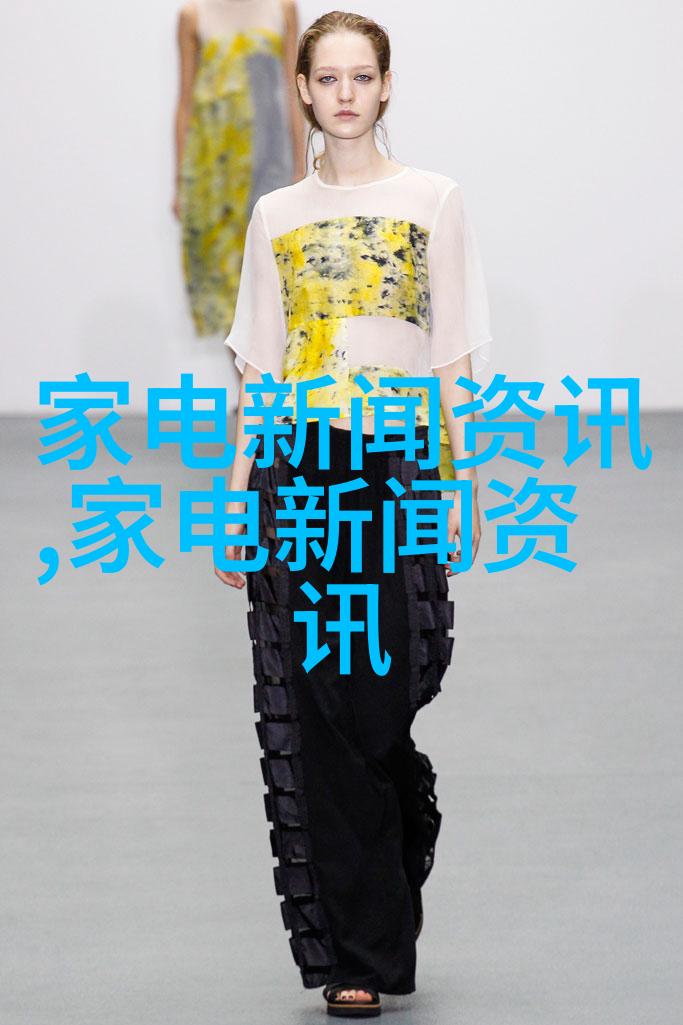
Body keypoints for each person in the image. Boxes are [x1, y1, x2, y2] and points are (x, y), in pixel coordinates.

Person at [215, 9, 492, 1017]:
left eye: (360, 77)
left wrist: (460, 489)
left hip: (395, 465)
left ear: (385, 86)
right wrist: (232, 500)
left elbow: (453, 356)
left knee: (382, 697)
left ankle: (397, 824)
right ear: (301, 88)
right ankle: (358, 954)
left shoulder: (432, 199)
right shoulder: (276, 214)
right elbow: (258, 367)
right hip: (297, 469)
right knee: (316, 709)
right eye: (325, 78)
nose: (343, 94)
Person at [172, 0, 306, 337]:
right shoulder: (193, 15)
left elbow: (294, 91)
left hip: (269, 161)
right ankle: (245, 374)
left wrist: (301, 166)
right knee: (228, 290)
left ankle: (273, 371)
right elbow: (185, 103)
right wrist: (180, 185)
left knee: (277, 281)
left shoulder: (281, 7)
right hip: (213, 172)